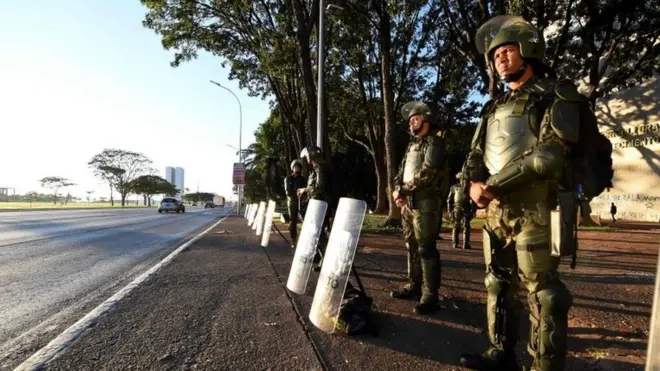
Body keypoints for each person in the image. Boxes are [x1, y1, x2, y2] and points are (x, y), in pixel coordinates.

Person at [460, 15, 577, 371]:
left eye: (507, 51)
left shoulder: (555, 94)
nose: (500, 59)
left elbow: (549, 156)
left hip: (538, 210)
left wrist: (492, 185)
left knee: (543, 294)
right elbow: (476, 156)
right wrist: (470, 185)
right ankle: (500, 352)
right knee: (497, 284)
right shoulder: (492, 107)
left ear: (529, 50)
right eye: (495, 55)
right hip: (496, 213)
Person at [390, 101, 446, 315]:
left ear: (426, 118)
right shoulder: (411, 145)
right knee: (410, 246)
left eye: (415, 118)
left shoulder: (434, 143)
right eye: (411, 120)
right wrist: (397, 190)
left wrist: (404, 190)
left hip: (426, 205)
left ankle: (430, 295)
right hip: (408, 205)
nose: (411, 122)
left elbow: (428, 172)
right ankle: (413, 284)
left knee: (426, 248)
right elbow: (401, 171)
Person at [297, 145, 331, 271]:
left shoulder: (320, 168)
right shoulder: (315, 169)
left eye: (307, 157)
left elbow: (319, 188)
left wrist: (304, 189)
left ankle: (327, 261)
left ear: (311, 156)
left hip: (321, 205)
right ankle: (322, 258)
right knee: (316, 233)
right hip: (316, 205)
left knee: (320, 233)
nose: (306, 160)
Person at [447, 172, 473, 250]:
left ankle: (465, 243)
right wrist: (449, 211)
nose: (463, 180)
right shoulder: (454, 188)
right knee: (457, 225)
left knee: (465, 226)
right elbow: (449, 200)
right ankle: (456, 243)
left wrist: (472, 210)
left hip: (465, 208)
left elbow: (472, 200)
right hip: (457, 208)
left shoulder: (469, 188)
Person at [284, 159, 306, 243]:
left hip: (302, 201)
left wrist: (303, 196)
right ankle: (293, 239)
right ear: (292, 168)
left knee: (305, 219)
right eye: (295, 167)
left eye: (298, 167)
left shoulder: (302, 179)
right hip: (292, 202)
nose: (297, 169)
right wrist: (297, 194)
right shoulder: (288, 178)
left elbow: (305, 189)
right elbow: (288, 192)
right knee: (293, 221)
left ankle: (305, 239)